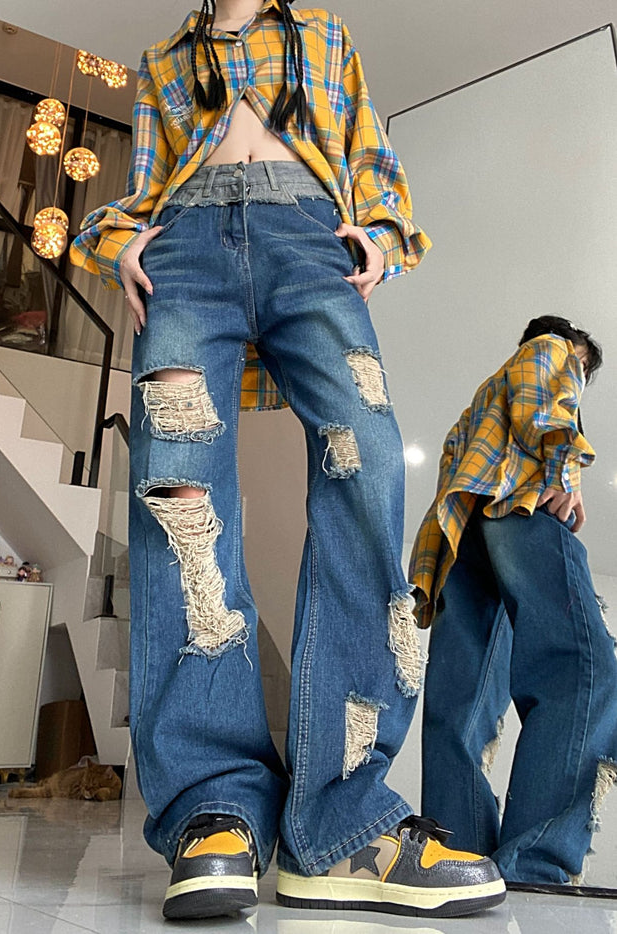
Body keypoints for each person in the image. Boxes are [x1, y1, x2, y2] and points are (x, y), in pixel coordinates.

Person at [71, 0, 505, 920]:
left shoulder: (323, 34)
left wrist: (380, 231)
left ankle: (342, 823)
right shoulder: (164, 58)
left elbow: (370, 156)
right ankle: (215, 808)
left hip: (310, 239)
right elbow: (143, 184)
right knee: (178, 494)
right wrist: (121, 239)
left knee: (370, 463)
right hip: (185, 248)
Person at [410, 315, 617, 884]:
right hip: (520, 507)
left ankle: (458, 862)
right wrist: (563, 474)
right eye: (581, 367)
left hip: (464, 536)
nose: (577, 377)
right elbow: (544, 401)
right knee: (582, 669)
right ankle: (536, 865)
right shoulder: (551, 349)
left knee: (461, 706)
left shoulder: (481, 401)